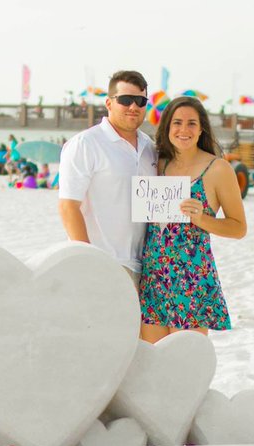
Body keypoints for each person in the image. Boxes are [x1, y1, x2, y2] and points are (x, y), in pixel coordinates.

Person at [137, 96, 245, 343]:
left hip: (191, 279)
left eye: (191, 123)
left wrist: (202, 219)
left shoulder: (218, 169)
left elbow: (239, 228)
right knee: (153, 361)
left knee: (184, 364)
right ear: (166, 127)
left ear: (201, 129)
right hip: (153, 277)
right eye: (177, 123)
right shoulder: (156, 164)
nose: (183, 130)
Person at [58, 69, 157, 289]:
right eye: (125, 99)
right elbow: (67, 206)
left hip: (146, 267)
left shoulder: (150, 147)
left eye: (140, 101)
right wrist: (87, 260)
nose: (133, 107)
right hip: (102, 264)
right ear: (109, 103)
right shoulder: (86, 144)